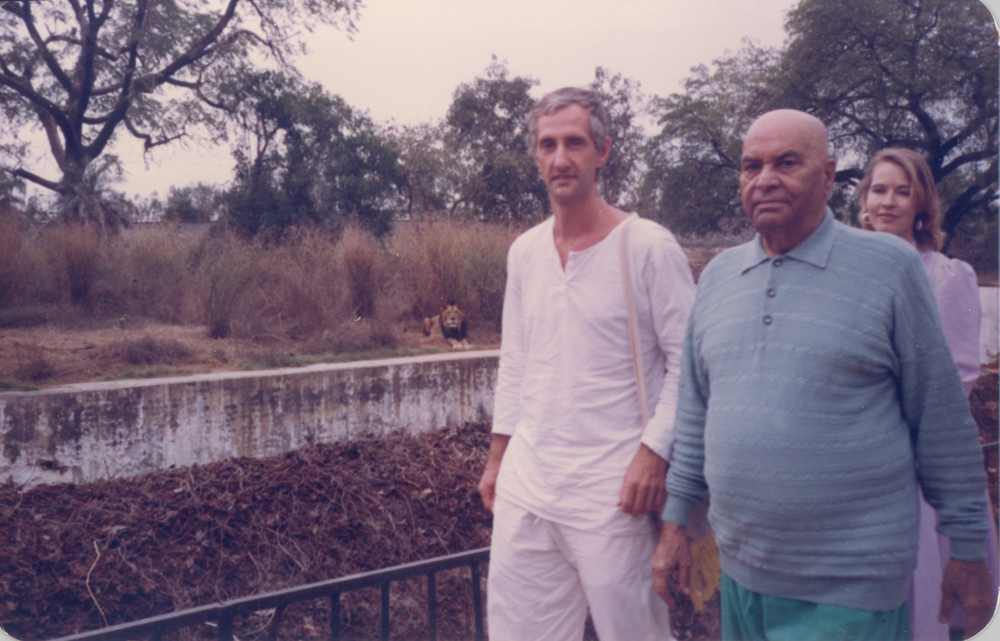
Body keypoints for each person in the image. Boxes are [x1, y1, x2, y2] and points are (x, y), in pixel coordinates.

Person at [651, 109, 994, 641]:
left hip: (849, 592)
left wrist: (967, 548)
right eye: (751, 166)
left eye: (787, 162)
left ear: (830, 176)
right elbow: (695, 414)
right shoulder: (719, 276)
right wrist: (675, 524)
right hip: (742, 579)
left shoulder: (889, 268)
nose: (765, 178)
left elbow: (941, 422)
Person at [477, 87, 695, 641]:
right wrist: (498, 458)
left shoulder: (647, 246)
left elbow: (690, 366)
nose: (560, 158)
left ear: (603, 151)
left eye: (574, 143)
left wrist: (654, 453)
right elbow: (518, 360)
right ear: (535, 158)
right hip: (530, 485)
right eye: (548, 145)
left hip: (613, 492)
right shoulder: (525, 251)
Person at [857, 147, 997, 640]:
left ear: (922, 204)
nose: (888, 202)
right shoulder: (845, 271)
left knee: (925, 600)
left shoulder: (946, 275)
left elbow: (958, 377)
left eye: (902, 191)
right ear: (864, 199)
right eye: (879, 190)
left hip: (918, 457)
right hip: (852, 461)